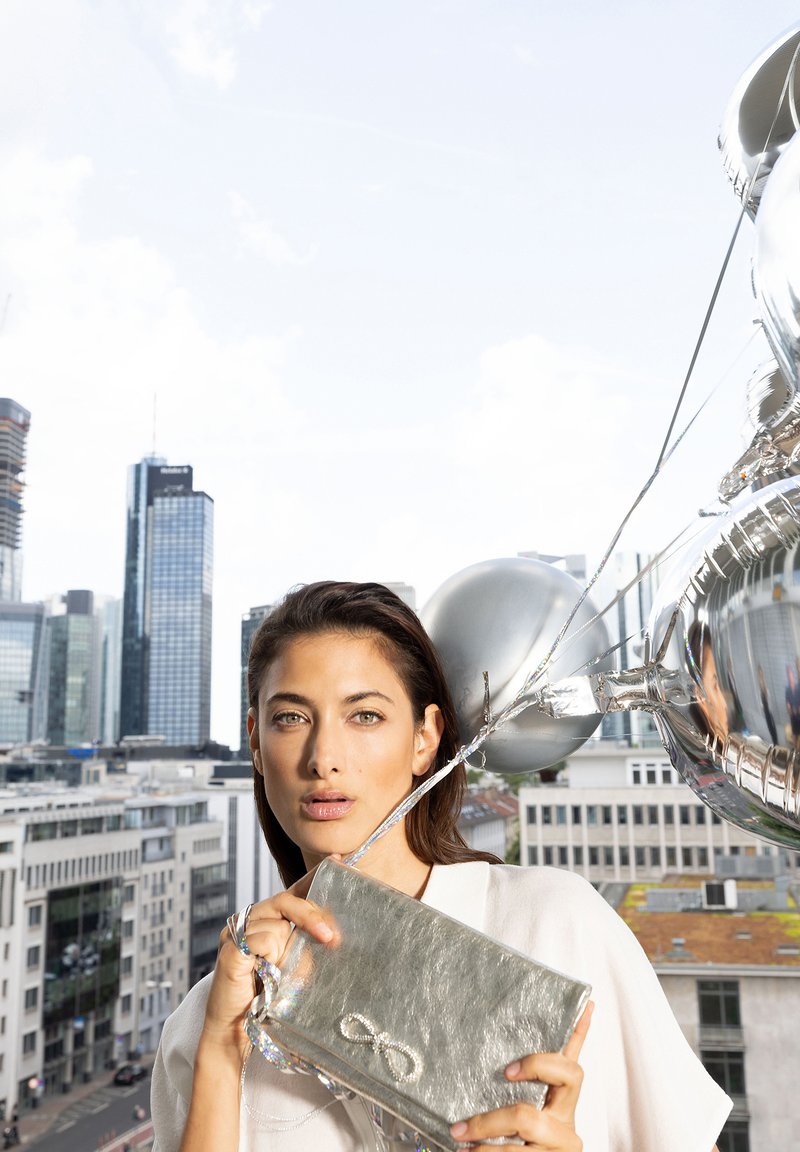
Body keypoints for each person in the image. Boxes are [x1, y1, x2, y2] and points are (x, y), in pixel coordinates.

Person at [151, 581, 730, 1152]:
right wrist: (222, 1049)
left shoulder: (556, 922)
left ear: (425, 738)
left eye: (365, 716)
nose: (324, 758)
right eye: (291, 718)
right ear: (254, 740)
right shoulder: (207, 1015)